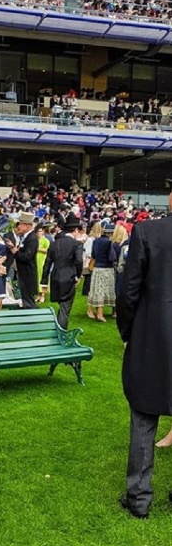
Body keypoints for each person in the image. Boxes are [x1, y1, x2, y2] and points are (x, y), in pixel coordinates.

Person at [117, 216, 172, 519]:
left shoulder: (149, 231)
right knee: (142, 412)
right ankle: (137, 497)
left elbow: (129, 291)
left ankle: (138, 497)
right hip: (153, 335)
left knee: (143, 417)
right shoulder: (148, 231)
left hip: (153, 339)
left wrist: (128, 333)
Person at [40, 214, 83, 330]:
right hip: (68, 277)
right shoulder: (77, 244)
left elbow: (47, 264)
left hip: (55, 277)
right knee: (65, 308)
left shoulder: (54, 244)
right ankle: (61, 334)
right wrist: (77, 276)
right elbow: (79, 261)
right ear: (75, 230)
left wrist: (44, 281)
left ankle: (58, 329)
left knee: (63, 307)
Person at [6, 211, 38, 308]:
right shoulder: (24, 237)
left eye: (21, 224)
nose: (19, 226)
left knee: (28, 300)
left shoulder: (32, 238)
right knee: (25, 297)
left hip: (28, 273)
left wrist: (14, 250)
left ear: (28, 225)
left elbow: (27, 257)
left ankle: (33, 317)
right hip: (23, 272)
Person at [87, 223, 116, 322]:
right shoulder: (109, 242)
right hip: (107, 268)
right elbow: (112, 257)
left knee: (97, 290)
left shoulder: (96, 241)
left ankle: (98, 312)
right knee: (104, 291)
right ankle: (100, 314)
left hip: (97, 268)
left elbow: (93, 255)